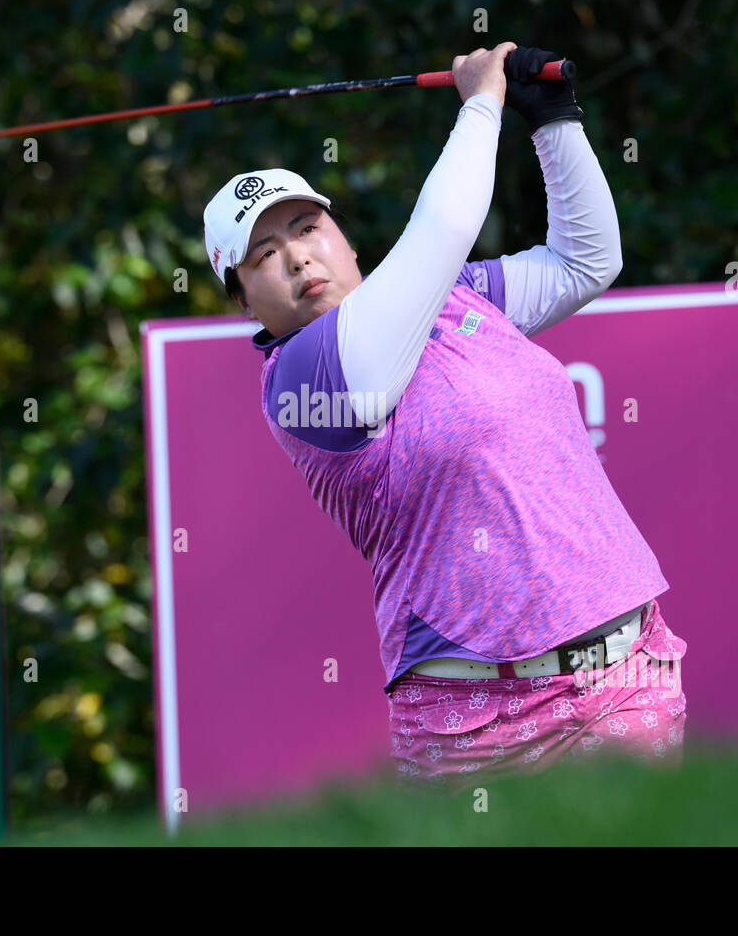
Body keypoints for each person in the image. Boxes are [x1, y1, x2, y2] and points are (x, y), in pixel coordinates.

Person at [201, 43, 688, 793]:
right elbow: (443, 228)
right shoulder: (302, 381)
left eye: (305, 228)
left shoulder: (461, 298)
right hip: (474, 721)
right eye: (262, 254)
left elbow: (585, 262)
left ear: (344, 237)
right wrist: (483, 101)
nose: (297, 258)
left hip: (627, 674)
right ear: (241, 300)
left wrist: (554, 119)